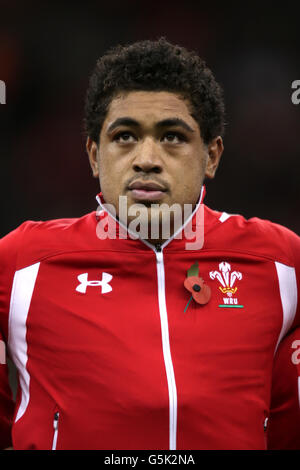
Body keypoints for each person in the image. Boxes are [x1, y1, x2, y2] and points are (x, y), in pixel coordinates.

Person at [0, 37, 299, 450]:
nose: (146, 158)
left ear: (212, 155)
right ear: (93, 154)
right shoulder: (18, 264)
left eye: (172, 136)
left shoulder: (282, 264)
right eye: (124, 136)